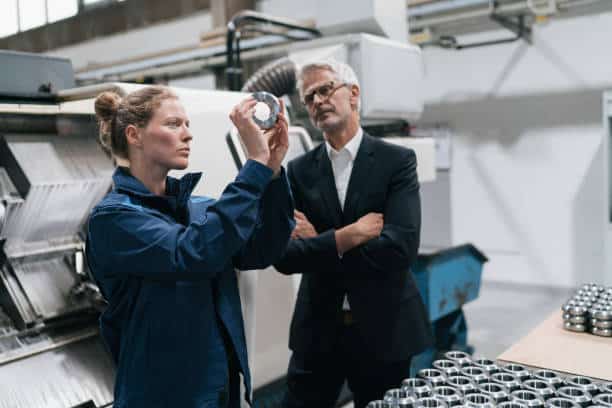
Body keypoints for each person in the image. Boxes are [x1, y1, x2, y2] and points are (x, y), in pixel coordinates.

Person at [86, 85, 294, 408]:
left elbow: (262, 249)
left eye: (188, 124)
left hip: (221, 391)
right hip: (164, 396)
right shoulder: (114, 218)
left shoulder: (197, 208)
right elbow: (193, 253)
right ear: (134, 135)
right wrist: (253, 164)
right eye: (173, 124)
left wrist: (273, 172)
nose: (187, 135)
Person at [274, 60, 433, 408]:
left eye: (326, 89)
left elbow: (400, 248)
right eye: (309, 97)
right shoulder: (299, 172)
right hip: (318, 328)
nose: (317, 101)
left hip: (384, 327)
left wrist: (319, 240)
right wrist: (348, 235)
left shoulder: (397, 161)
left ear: (354, 94)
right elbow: (284, 257)